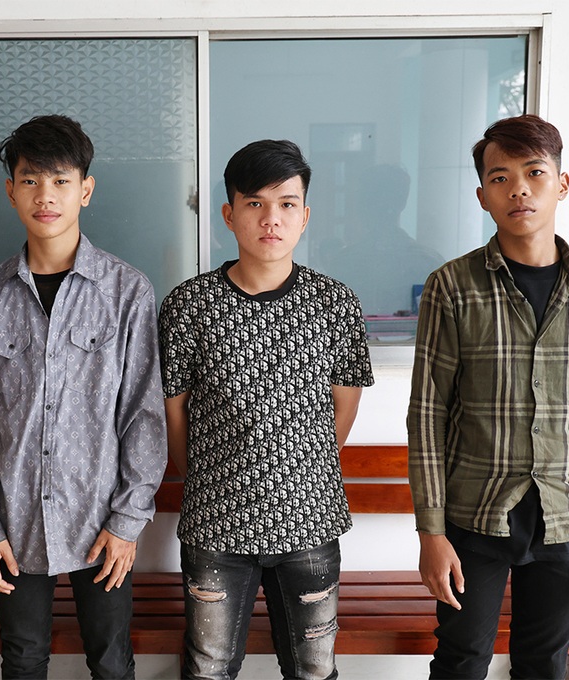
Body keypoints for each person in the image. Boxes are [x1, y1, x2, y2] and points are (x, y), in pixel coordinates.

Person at [407, 114, 569, 679]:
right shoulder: (452, 286)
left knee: (545, 664)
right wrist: (431, 532)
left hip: (567, 515)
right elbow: (428, 414)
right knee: (462, 660)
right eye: (500, 177)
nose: (519, 190)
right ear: (482, 196)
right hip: (474, 515)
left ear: (562, 183)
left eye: (534, 173)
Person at [0, 115, 167, 680]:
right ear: (11, 191)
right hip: (16, 520)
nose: (45, 196)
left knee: (111, 660)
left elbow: (143, 415)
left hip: (102, 518)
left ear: (86, 190)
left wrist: (127, 520)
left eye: (60, 181)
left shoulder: (127, 291)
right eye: (30, 180)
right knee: (22, 658)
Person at [159, 139, 374, 680]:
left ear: (305, 215)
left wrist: (300, 468)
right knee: (207, 669)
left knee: (314, 670)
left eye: (286, 204)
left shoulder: (335, 303)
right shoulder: (188, 305)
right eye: (254, 203)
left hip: (310, 521)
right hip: (216, 525)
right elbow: (174, 412)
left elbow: (343, 406)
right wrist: (212, 477)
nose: (271, 218)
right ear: (229, 214)